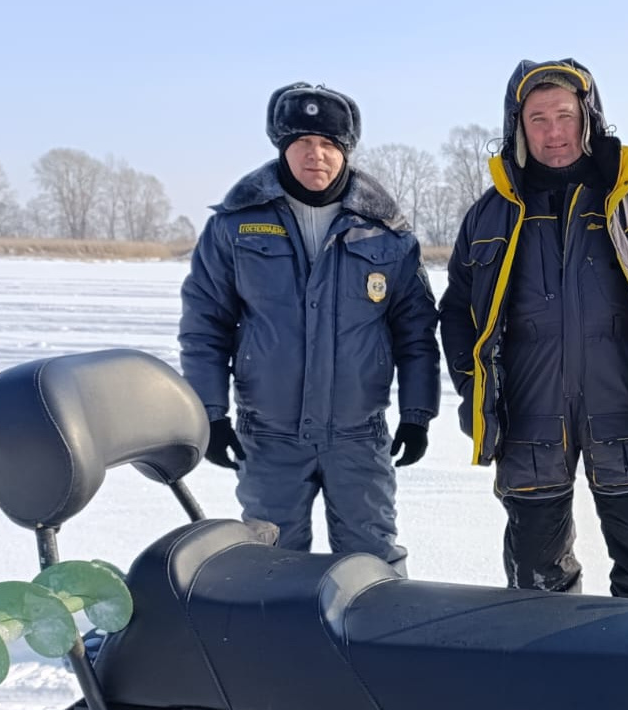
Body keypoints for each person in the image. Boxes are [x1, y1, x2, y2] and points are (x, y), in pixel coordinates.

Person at [439, 58, 628, 602]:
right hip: (528, 416)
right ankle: (552, 658)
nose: (553, 132)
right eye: (537, 119)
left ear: (588, 119)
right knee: (537, 582)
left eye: (564, 115)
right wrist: (474, 385)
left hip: (627, 410)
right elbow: (455, 313)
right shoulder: (491, 214)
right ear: (518, 127)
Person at [179, 81, 439, 572]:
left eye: (327, 143)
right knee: (270, 564)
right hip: (269, 435)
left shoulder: (388, 234)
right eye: (301, 141)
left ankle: (371, 628)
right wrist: (210, 414)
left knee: (372, 565)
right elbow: (204, 327)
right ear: (281, 146)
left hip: (359, 435)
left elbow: (416, 334)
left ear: (346, 151)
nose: (314, 154)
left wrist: (417, 413)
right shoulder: (235, 226)